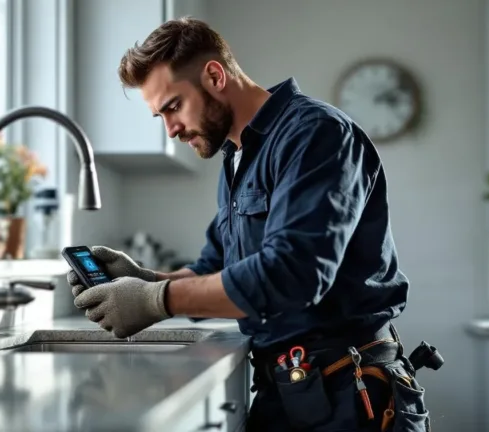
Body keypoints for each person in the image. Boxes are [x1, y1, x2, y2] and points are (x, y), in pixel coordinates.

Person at [67, 17, 433, 431]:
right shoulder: (238, 157)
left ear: (214, 75)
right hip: (290, 389)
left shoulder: (316, 134)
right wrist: (146, 279)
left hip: (351, 395)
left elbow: (293, 274)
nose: (171, 129)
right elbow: (214, 269)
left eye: (173, 106)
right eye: (160, 116)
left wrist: (155, 300)